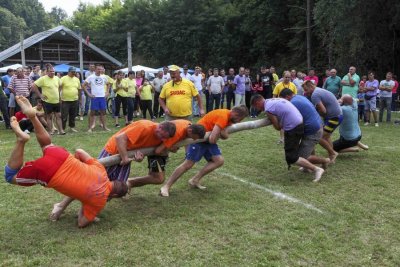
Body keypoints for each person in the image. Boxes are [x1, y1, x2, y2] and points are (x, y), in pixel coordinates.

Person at [5, 96, 128, 227]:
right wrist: (86, 203)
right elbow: (81, 223)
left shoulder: (102, 171)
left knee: (46, 144)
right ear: (113, 195)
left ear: (113, 181)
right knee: (10, 176)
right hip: (50, 173)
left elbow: (80, 151)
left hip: (63, 157)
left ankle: (33, 117)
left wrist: (74, 165)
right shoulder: (99, 201)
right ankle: (21, 140)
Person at [160, 105, 249, 197]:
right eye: (240, 119)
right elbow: (212, 139)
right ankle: (166, 186)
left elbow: (223, 136)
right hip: (198, 139)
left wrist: (222, 133)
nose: (239, 121)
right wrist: (221, 133)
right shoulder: (223, 116)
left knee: (219, 161)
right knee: (187, 164)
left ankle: (194, 180)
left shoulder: (229, 118)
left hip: (206, 140)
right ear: (235, 113)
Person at [251, 94, 325, 182]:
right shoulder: (273, 100)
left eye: (256, 107)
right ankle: (307, 167)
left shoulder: (268, 109)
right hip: (300, 123)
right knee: (295, 152)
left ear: (257, 102)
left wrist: (273, 119)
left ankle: (317, 169)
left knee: (291, 157)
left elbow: (278, 127)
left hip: (293, 128)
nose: (258, 109)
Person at [126, 120, 206, 191]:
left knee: (156, 177)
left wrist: (172, 146)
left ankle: (129, 183)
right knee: (158, 178)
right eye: (193, 138)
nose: (194, 140)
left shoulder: (187, 123)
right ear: (190, 130)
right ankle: (129, 182)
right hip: (156, 151)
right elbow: (158, 151)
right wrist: (171, 148)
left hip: (160, 150)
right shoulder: (178, 132)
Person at [99, 120, 176, 182]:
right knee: (100, 178)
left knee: (121, 186)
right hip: (113, 150)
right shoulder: (144, 126)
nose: (163, 140)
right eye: (162, 136)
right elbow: (119, 138)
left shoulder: (161, 138)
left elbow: (143, 149)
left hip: (127, 154)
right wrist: (125, 158)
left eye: (165, 138)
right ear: (160, 127)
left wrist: (139, 158)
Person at [279, 89, 330, 171]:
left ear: (288, 96)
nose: (283, 102)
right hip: (317, 125)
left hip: (313, 130)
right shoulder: (299, 97)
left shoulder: (293, 103)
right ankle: (307, 168)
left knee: (299, 158)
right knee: (308, 149)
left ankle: (325, 160)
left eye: (283, 99)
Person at [302, 80, 342, 163]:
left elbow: (323, 111)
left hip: (334, 118)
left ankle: (333, 153)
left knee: (319, 137)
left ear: (311, 86)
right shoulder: (319, 90)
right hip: (338, 116)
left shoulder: (315, 95)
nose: (305, 92)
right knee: (326, 137)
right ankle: (332, 156)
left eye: (306, 90)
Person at [31, 64, 64, 135]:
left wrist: (59, 94)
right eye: (50, 71)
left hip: (56, 101)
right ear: (47, 72)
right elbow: (33, 85)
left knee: (58, 115)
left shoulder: (57, 78)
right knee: (49, 116)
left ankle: (61, 130)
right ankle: (50, 131)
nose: (52, 72)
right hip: (47, 101)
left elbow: (61, 85)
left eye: (53, 71)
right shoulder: (43, 78)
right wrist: (40, 95)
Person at [82, 64, 110, 132]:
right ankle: (90, 128)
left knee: (103, 112)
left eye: (101, 69)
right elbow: (83, 85)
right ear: (95, 69)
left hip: (102, 97)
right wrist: (89, 94)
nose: (99, 70)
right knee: (92, 113)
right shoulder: (91, 77)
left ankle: (104, 127)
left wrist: (107, 92)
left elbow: (108, 84)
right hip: (94, 97)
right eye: (98, 69)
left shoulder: (104, 77)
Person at [60, 67, 81, 132]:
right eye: (72, 72)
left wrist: (79, 98)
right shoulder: (63, 78)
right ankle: (62, 128)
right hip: (65, 100)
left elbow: (79, 89)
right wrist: (59, 98)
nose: (74, 73)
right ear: (68, 72)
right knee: (64, 115)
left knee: (73, 115)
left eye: (74, 72)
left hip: (74, 100)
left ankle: (72, 127)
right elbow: (59, 88)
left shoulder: (77, 79)